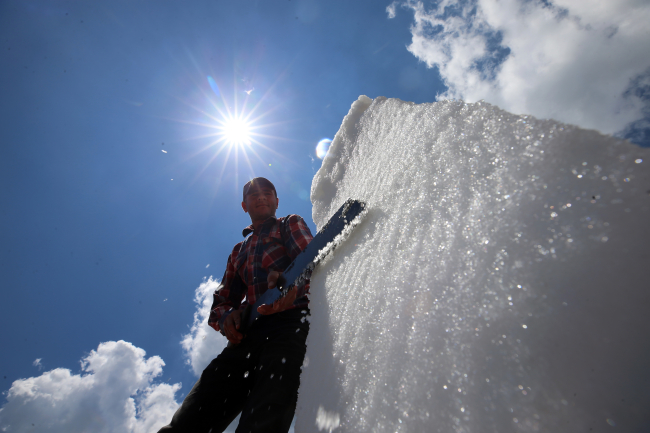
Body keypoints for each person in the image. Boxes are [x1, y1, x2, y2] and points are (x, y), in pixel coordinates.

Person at [158, 177, 313, 433]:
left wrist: (290, 282)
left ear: (276, 200)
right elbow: (222, 300)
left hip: (290, 324)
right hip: (245, 338)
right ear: (244, 205)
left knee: (264, 417)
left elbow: (310, 259)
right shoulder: (237, 251)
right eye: (254, 195)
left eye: (267, 193)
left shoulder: (289, 223)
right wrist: (227, 315)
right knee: (190, 418)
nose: (260, 197)